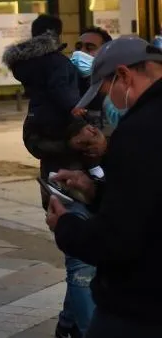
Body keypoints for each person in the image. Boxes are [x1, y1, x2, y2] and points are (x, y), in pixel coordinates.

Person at [47, 36, 162, 338]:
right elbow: (147, 201)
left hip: (140, 306)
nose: (109, 100)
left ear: (124, 75)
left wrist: (65, 226)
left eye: (107, 90)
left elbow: (117, 240)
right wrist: (97, 193)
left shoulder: (138, 132)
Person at [2, 14, 95, 338]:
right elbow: (35, 141)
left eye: (91, 48)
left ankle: (69, 322)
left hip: (98, 184)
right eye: (79, 46)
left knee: (85, 263)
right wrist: (71, 137)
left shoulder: (106, 93)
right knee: (81, 263)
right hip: (67, 184)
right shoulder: (61, 81)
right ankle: (82, 329)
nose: (82, 53)